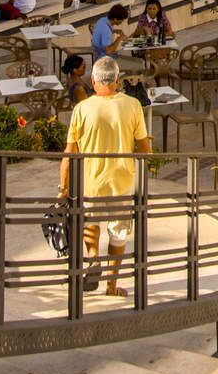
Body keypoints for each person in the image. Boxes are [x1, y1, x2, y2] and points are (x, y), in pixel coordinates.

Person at [58, 56, 151, 294]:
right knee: (118, 234)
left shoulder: (82, 109)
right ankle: (111, 285)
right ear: (117, 80)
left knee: (90, 221)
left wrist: (63, 187)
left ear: (93, 80)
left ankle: (92, 257)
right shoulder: (132, 105)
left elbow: (69, 152)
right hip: (121, 180)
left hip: (90, 181)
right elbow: (144, 149)